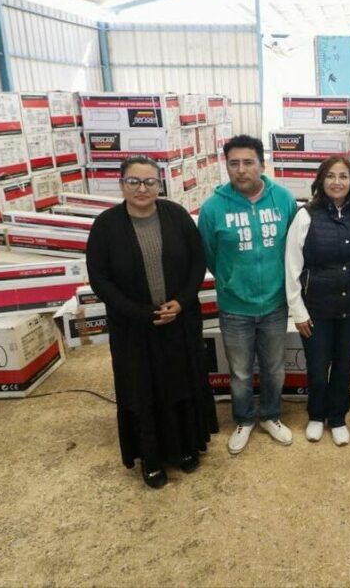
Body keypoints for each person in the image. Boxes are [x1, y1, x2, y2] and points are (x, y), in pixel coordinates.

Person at [85, 155, 217, 489]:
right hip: (133, 329)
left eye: (150, 182)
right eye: (134, 182)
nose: (142, 189)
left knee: (181, 381)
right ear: (121, 185)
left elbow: (197, 261)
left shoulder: (176, 215)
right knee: (143, 389)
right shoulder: (106, 226)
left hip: (180, 322)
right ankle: (152, 457)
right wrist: (140, 312)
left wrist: (182, 302)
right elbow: (100, 279)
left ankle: (186, 447)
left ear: (159, 185)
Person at [198, 135, 299, 456]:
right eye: (233, 163)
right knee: (240, 372)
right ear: (226, 166)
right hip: (234, 307)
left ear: (262, 164)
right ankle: (243, 419)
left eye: (248, 162)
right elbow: (209, 255)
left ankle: (270, 415)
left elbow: (295, 248)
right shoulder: (213, 208)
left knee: (273, 368)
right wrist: (231, 281)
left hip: (274, 303)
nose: (241, 170)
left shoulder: (283, 199)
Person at [285, 156, 350, 446]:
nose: (337, 182)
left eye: (344, 176)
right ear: (321, 181)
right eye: (331, 176)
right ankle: (315, 414)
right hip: (316, 308)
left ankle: (337, 417)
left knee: (343, 364)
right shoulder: (306, 215)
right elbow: (292, 266)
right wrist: (297, 311)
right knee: (317, 364)